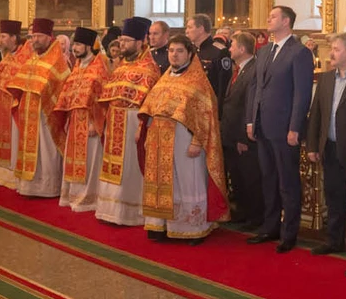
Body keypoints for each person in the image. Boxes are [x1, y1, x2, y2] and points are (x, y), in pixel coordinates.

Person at [139, 34, 226, 242]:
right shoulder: (164, 78)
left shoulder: (198, 82)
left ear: (189, 54)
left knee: (189, 182)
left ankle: (193, 228)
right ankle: (161, 225)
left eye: (179, 51)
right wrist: (146, 132)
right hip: (159, 140)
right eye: (171, 51)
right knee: (163, 184)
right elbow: (151, 108)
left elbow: (206, 115)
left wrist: (197, 141)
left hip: (185, 140)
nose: (174, 55)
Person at [247, 5, 313, 251]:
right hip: (262, 125)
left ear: (286, 21)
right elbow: (256, 87)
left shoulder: (299, 52)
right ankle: (270, 227)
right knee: (268, 179)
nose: (268, 18)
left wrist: (295, 127)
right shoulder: (264, 51)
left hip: (285, 128)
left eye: (273, 16)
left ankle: (289, 233)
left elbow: (302, 94)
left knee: (287, 182)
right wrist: (251, 120)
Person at [96, 18, 164, 227]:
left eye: (126, 41)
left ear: (140, 42)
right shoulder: (120, 66)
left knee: (131, 168)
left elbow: (151, 103)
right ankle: (109, 210)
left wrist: (142, 127)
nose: (122, 44)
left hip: (134, 123)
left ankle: (130, 212)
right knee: (112, 166)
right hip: (114, 122)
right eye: (121, 40)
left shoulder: (150, 68)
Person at [305, 32, 346, 255]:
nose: (331, 53)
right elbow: (316, 114)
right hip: (329, 148)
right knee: (333, 197)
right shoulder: (326, 79)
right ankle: (334, 241)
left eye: (336, 49)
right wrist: (313, 145)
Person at [8, 18, 70, 200]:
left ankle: (48, 187)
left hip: (46, 115)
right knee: (29, 147)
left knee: (46, 150)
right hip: (29, 112)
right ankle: (28, 186)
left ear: (49, 37)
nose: (35, 40)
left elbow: (62, 87)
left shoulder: (57, 61)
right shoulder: (32, 59)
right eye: (33, 36)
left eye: (39, 36)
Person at [53, 28, 108, 212]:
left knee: (90, 162)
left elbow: (102, 98)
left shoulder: (99, 68)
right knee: (73, 160)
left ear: (88, 46)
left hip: (90, 124)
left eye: (78, 44)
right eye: (74, 44)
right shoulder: (77, 67)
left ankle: (89, 198)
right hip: (75, 121)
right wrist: (66, 117)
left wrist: (95, 122)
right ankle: (73, 195)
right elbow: (68, 93)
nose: (74, 48)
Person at [219, 31, 262, 230]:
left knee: (249, 179)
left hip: (243, 138)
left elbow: (249, 106)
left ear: (242, 49)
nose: (229, 49)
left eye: (232, 45)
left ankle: (255, 217)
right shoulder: (238, 70)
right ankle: (242, 213)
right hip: (230, 134)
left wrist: (243, 138)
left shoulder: (253, 70)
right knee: (237, 178)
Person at [0, 20, 31, 189]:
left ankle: (13, 177)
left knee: (14, 140)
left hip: (14, 106)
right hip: (2, 106)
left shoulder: (26, 56)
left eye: (3, 36)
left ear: (13, 37)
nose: (0, 40)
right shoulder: (9, 56)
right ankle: (1, 175)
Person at [185, 14, 233, 107]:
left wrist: (218, 110)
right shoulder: (190, 50)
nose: (186, 31)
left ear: (201, 29)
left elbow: (223, 86)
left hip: (210, 105)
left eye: (190, 27)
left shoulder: (219, 51)